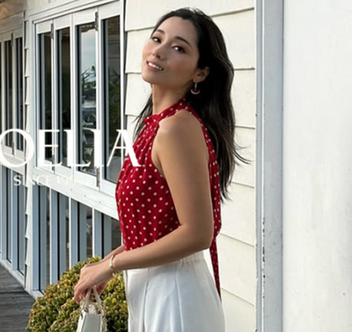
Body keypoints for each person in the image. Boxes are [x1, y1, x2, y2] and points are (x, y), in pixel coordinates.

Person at [73, 7, 243, 332]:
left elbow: (197, 233)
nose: (159, 51)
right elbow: (156, 232)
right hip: (154, 287)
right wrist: (107, 264)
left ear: (201, 73)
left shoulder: (177, 128)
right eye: (157, 38)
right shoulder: (158, 125)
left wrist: (111, 265)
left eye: (179, 48)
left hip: (174, 295)